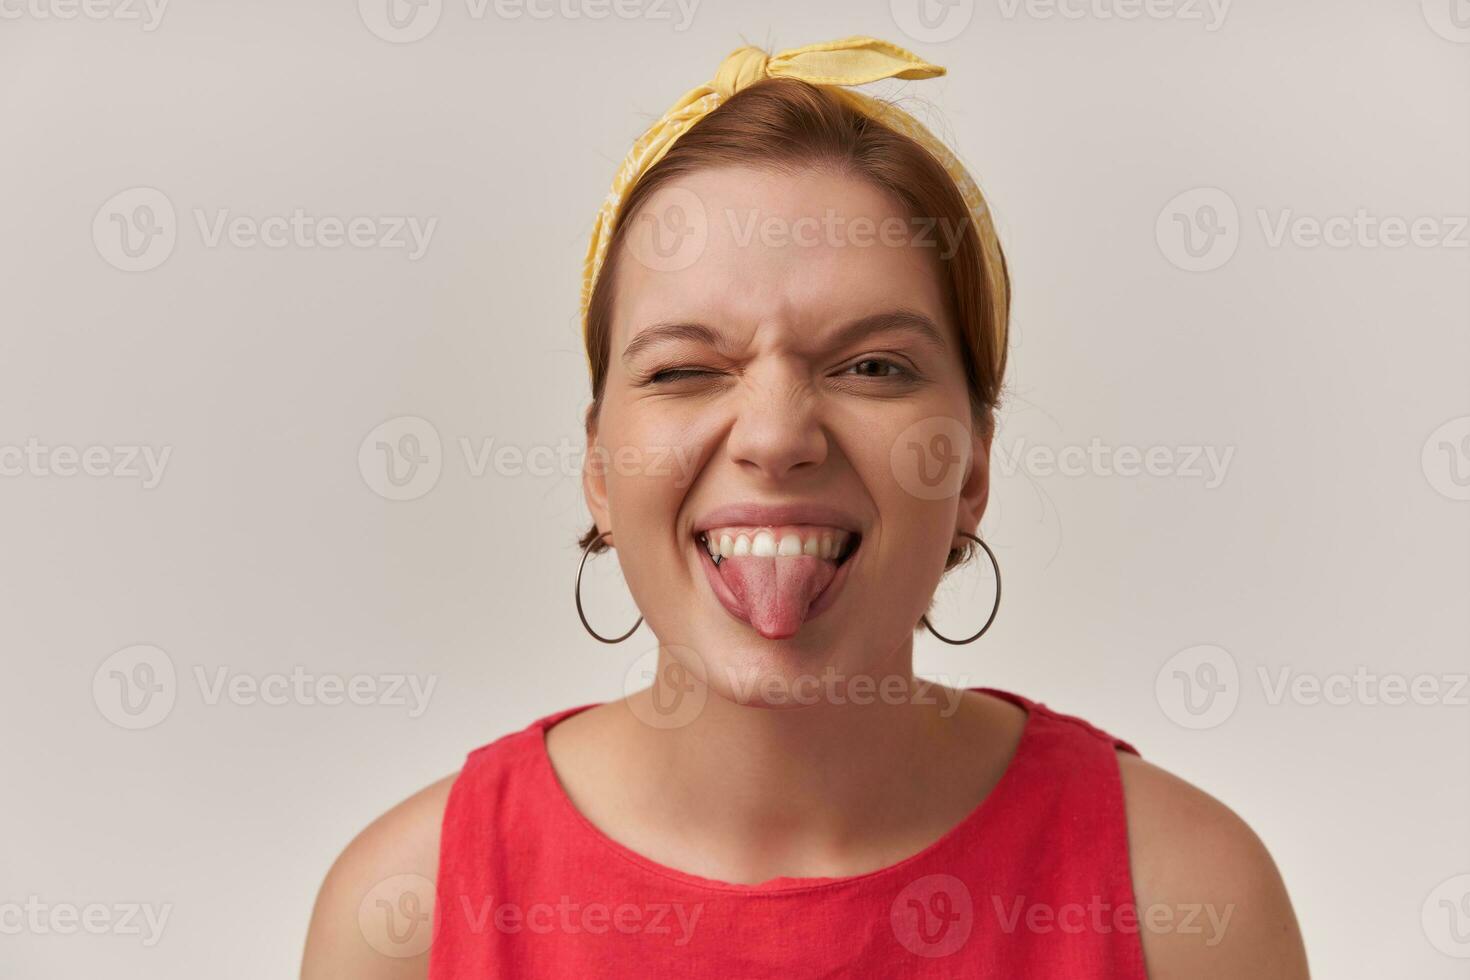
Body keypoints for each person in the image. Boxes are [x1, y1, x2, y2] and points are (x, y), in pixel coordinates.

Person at [301, 35, 1309, 978]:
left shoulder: (1184, 899)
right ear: (600, 465)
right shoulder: (406, 915)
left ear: (970, 468)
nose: (778, 434)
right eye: (687, 367)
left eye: (872, 364)